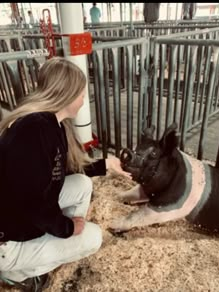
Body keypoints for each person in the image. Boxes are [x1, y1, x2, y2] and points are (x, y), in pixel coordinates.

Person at [0, 57, 131, 291]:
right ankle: (16, 274)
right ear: (67, 94)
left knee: (81, 183)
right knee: (93, 238)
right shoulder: (33, 131)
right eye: (81, 93)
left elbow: (61, 170)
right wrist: (67, 228)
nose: (83, 100)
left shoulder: (51, 122)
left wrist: (106, 165)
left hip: (19, 216)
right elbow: (32, 203)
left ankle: (53, 245)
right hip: (8, 240)